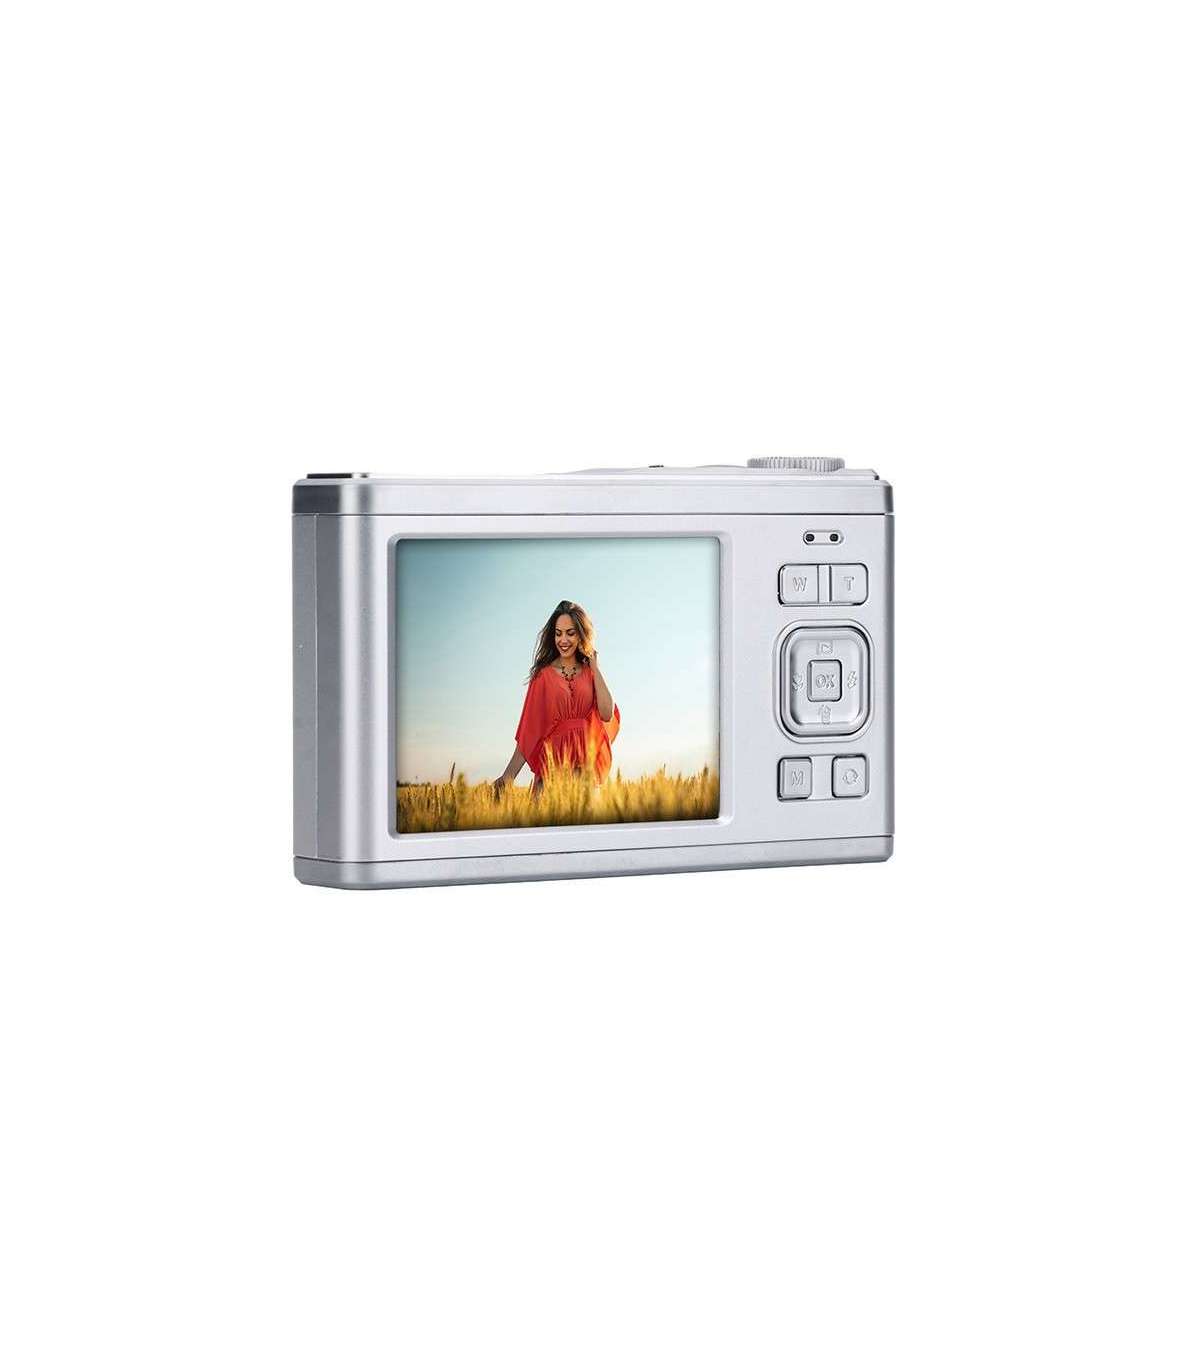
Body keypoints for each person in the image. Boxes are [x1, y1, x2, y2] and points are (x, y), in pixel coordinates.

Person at [492, 600, 619, 796]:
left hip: (585, 773)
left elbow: (607, 713)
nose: (563, 640)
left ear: (581, 634)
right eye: (558, 633)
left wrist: (595, 667)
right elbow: (529, 731)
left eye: (570, 633)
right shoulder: (543, 676)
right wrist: (508, 776)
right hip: (551, 772)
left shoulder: (590, 673)